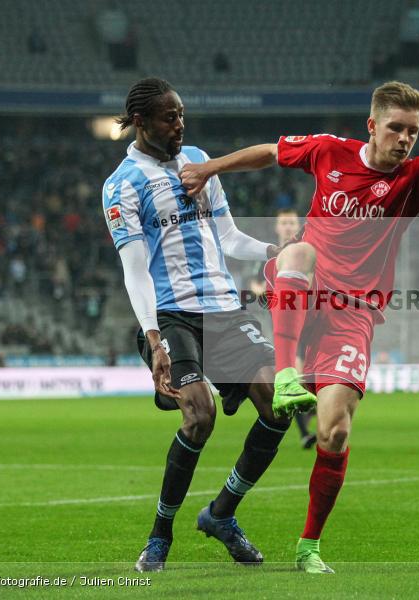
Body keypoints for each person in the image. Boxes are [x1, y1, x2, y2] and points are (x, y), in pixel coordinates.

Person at [181, 36, 419, 573]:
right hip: (303, 289)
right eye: (396, 128)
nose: (406, 139)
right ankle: (286, 371)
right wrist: (210, 169)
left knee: (334, 431)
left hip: (354, 315)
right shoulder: (328, 151)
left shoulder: (414, 180)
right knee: (298, 249)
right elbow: (271, 153)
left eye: (413, 131)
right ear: (372, 125)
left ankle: (307, 546)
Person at [102, 77, 291, 572]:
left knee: (279, 403)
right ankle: (160, 534)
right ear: (141, 122)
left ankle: (221, 515)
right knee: (200, 415)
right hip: (172, 314)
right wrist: (153, 339)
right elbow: (134, 269)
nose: (180, 124)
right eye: (170, 117)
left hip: (225, 309)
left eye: (182, 114)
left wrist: (274, 251)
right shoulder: (122, 186)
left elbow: (227, 237)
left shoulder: (200, 162)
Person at [246, 209, 317, 449]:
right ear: (277, 227)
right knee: (294, 374)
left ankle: (310, 412)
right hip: (282, 326)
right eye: (283, 223)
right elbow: (254, 286)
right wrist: (265, 292)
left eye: (291, 223)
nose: (287, 227)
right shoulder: (267, 259)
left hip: (310, 323)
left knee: (306, 378)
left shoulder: (306, 252)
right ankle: (305, 431)